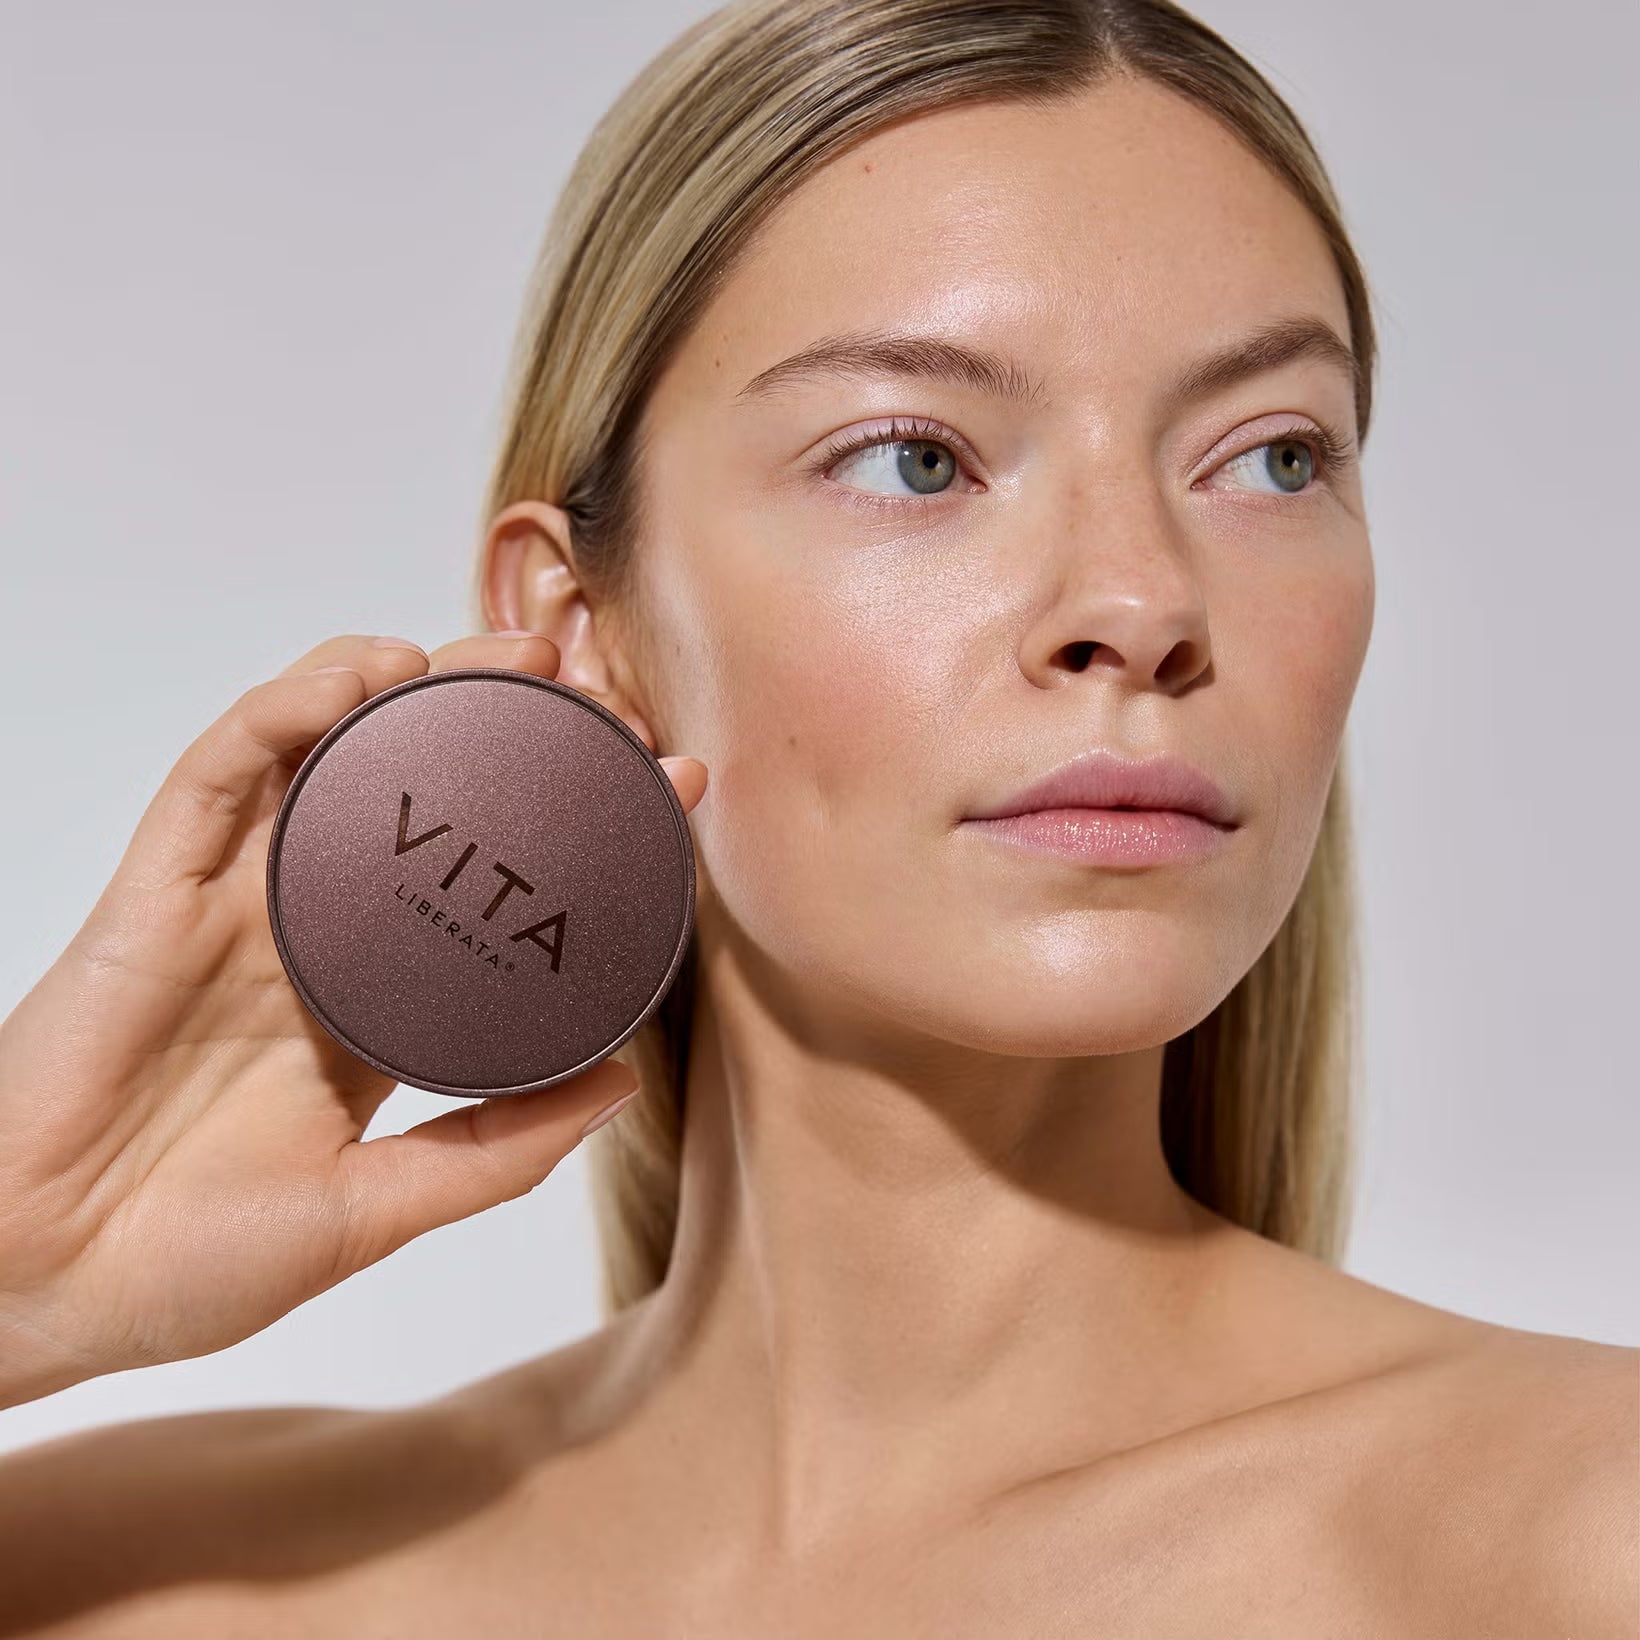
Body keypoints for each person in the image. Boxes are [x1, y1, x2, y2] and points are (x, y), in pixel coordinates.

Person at [1, 0, 1634, 1632]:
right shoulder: (138, 1581)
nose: (1140, 600)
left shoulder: (1570, 1538)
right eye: (918, 460)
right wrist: (23, 1285)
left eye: (1275, 458)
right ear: (583, 632)